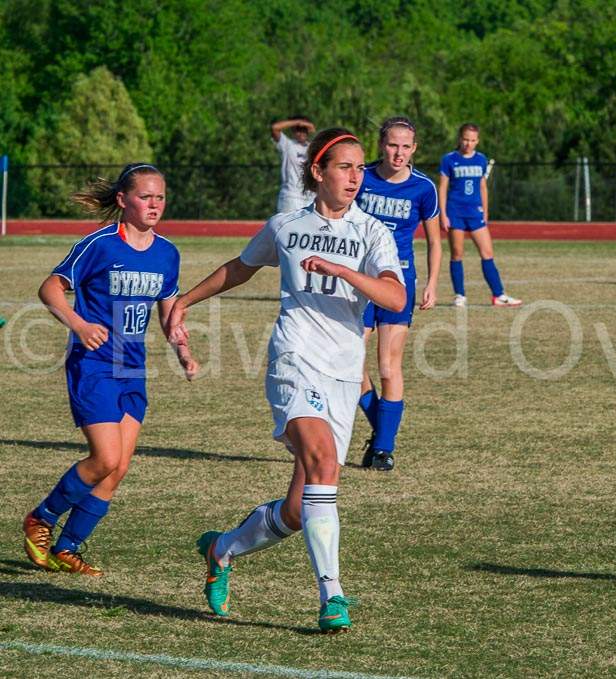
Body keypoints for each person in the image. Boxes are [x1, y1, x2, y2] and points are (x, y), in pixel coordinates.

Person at [168, 128, 405, 633]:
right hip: (293, 361)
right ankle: (332, 596)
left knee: (300, 510)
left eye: (361, 168)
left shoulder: (372, 232)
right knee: (321, 460)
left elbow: (394, 298)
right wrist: (185, 301)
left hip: (344, 373)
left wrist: (345, 271)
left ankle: (221, 548)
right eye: (345, 166)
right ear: (318, 171)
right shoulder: (286, 225)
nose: (356, 177)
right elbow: (241, 268)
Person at [21, 163, 197, 577]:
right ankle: (41, 518)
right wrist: (79, 325)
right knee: (105, 457)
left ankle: (68, 548)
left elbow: (169, 309)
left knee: (117, 469)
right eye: (145, 197)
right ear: (123, 200)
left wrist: (183, 348)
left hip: (132, 369)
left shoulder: (167, 252)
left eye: (160, 197)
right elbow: (50, 287)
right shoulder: (98, 244)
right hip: (94, 365)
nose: (154, 205)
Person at [356, 116, 441, 472]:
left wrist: (432, 283)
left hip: (398, 284)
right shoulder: (361, 177)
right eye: (393, 144)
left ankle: (383, 449)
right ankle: (383, 434)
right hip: (358, 281)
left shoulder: (423, 188)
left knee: (389, 367)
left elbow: (435, 241)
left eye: (406, 146)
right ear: (381, 144)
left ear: (415, 149)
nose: (399, 152)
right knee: (350, 365)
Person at [438, 123, 521, 307]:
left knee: (487, 253)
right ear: (460, 138)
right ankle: (460, 295)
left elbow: (483, 187)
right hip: (456, 212)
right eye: (466, 139)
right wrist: (443, 214)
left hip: (475, 213)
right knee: (457, 254)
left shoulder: (481, 159)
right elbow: (442, 187)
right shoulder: (449, 159)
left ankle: (498, 295)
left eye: (473, 140)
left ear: (478, 141)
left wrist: (485, 210)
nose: (469, 143)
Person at [271, 115, 317, 214]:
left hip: (310, 198)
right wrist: (297, 122)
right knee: (287, 228)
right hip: (291, 197)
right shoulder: (288, 145)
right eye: (298, 130)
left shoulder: (312, 148)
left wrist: (311, 128)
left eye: (304, 129)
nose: (301, 133)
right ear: (293, 131)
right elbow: (275, 128)